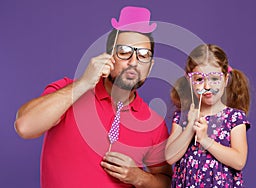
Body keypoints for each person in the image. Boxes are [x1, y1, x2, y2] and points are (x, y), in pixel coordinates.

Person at [15, 6, 172, 188]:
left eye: (143, 55)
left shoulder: (154, 123)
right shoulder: (68, 91)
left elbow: (166, 182)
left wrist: (139, 177)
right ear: (109, 56)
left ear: (150, 66)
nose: (134, 62)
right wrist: (83, 84)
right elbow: (24, 127)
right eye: (124, 52)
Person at [165, 44, 251, 187]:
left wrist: (205, 140)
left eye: (214, 79)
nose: (207, 86)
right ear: (190, 81)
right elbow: (170, 157)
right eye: (199, 79)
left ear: (226, 79)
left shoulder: (234, 117)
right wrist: (189, 128)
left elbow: (239, 161)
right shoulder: (183, 117)